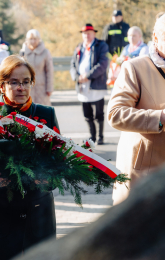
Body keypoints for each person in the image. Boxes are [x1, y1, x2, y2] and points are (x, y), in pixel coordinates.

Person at [0, 54, 59, 260]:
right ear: (1, 85)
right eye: (14, 82)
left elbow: (58, 159)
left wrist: (48, 178)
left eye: (26, 82)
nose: (21, 88)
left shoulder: (46, 115)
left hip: (38, 210)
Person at [107, 15, 165, 205]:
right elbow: (115, 114)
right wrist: (161, 118)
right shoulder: (135, 67)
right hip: (144, 173)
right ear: (155, 38)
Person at [70, 24, 109, 145]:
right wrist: (77, 77)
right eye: (84, 33)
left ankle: (101, 136)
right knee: (87, 114)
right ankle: (92, 136)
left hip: (96, 84)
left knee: (99, 114)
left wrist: (88, 76)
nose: (87, 35)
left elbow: (102, 64)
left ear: (94, 33)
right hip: (82, 85)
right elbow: (73, 65)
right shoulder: (79, 47)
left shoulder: (101, 45)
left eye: (89, 33)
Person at [20, 29, 54, 106]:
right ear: (27, 40)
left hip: (42, 87)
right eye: (30, 39)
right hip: (26, 86)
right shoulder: (22, 52)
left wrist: (49, 88)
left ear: (39, 39)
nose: (33, 41)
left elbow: (49, 71)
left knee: (42, 112)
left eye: (35, 39)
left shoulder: (45, 52)